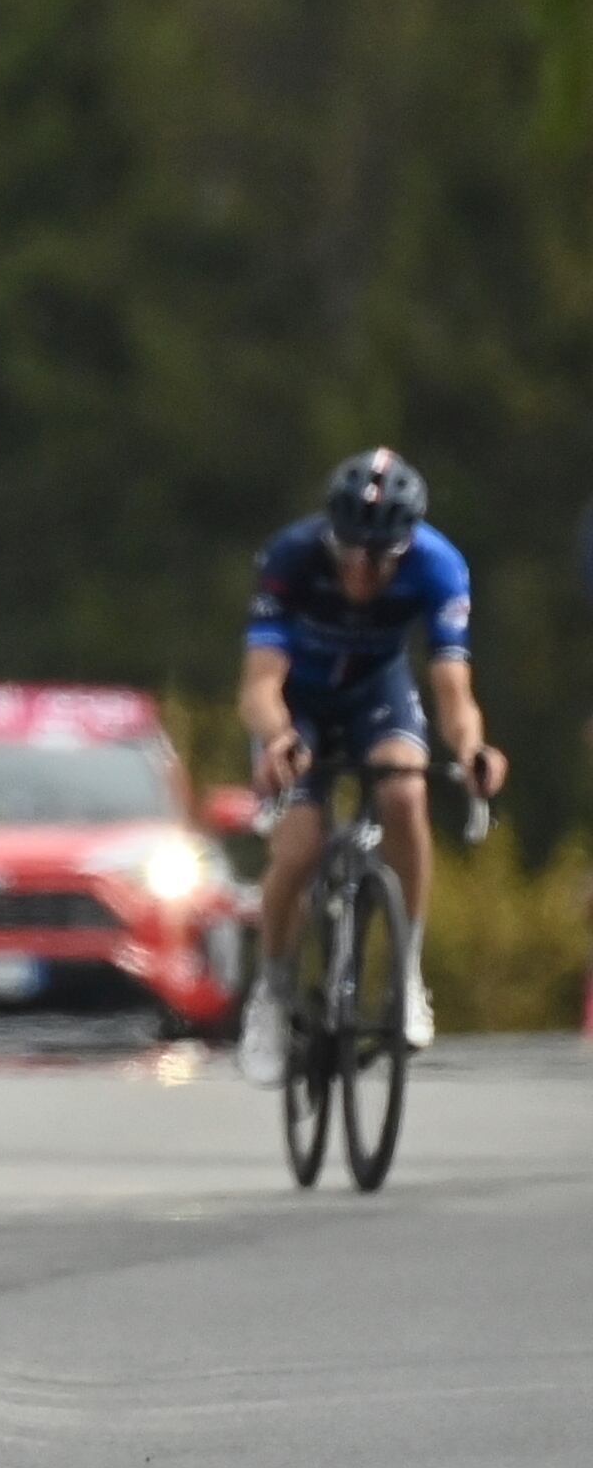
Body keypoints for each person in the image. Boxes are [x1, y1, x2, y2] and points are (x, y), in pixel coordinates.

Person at [235, 451, 507, 1081]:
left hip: (375, 695)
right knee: (298, 849)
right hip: (297, 704)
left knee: (405, 794)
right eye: (349, 551)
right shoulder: (291, 557)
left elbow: (453, 691)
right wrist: (278, 739)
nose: (361, 570)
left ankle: (407, 975)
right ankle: (272, 994)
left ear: (404, 547)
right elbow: (259, 685)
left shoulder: (439, 566)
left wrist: (472, 751)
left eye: (379, 557)